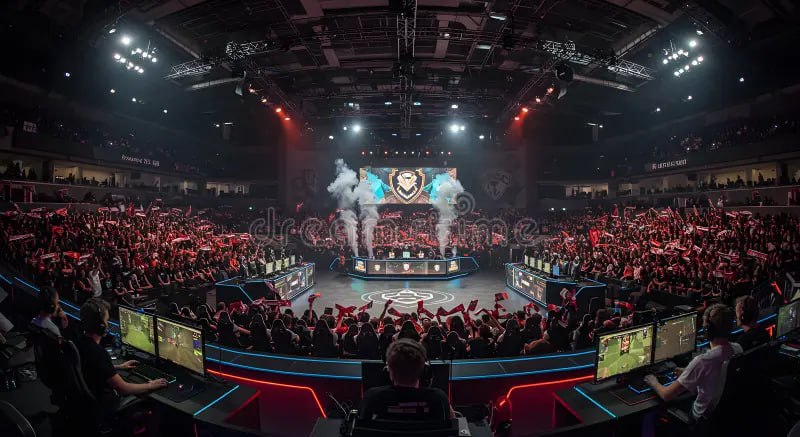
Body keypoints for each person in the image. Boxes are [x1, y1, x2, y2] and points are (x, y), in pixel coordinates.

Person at [644, 304, 743, 422]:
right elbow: (717, 379)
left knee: (660, 404)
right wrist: (688, 373)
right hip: (724, 414)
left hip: (701, 418)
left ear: (707, 330)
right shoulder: (738, 349)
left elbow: (666, 395)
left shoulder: (703, 361)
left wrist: (653, 381)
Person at [76, 298, 166, 418]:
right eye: (106, 320)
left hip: (89, 405)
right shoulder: (98, 353)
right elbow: (123, 388)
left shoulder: (79, 342)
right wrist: (151, 385)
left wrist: (119, 366)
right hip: (107, 407)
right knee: (152, 404)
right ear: (100, 325)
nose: (107, 324)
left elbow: (95, 368)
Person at [359, 339, 455, 422]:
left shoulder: (372, 398)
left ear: (388, 371)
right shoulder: (439, 399)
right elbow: (455, 427)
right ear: (424, 371)